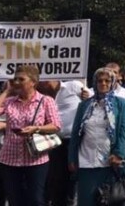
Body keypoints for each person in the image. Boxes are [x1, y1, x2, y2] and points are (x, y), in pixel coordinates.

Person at [0, 65, 62, 206]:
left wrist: (36, 128)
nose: (17, 82)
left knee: (35, 199)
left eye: (21, 79)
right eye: (15, 79)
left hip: (35, 159)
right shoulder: (10, 102)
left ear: (33, 82)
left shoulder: (45, 101)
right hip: (10, 158)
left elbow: (56, 125)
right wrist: (7, 91)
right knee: (15, 200)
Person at [68, 68, 125, 206]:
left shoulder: (121, 104)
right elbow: (75, 133)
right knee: (86, 200)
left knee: (108, 200)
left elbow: (124, 131)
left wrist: (119, 154)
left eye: (107, 81)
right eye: (100, 81)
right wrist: (72, 158)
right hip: (86, 160)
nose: (103, 84)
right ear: (95, 83)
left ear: (113, 83)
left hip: (109, 161)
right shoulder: (84, 105)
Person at [38, 78, 85, 206]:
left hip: (73, 141)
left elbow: (92, 102)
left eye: (45, 79)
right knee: (55, 180)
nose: (44, 83)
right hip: (52, 142)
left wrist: (86, 96)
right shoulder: (40, 95)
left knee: (71, 179)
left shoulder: (73, 86)